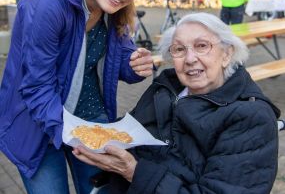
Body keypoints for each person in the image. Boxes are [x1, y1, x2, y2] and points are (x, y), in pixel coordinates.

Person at [0, 0, 154, 194]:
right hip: (37, 124)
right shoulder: (47, 4)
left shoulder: (115, 10)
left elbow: (122, 62)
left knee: (100, 190)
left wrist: (135, 66)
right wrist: (77, 134)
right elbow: (36, 88)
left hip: (90, 116)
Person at [73, 12, 280, 194]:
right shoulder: (167, 88)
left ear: (227, 54)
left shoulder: (251, 118)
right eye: (179, 49)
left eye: (201, 46)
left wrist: (133, 171)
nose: (190, 59)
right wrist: (97, 135)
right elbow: (133, 130)